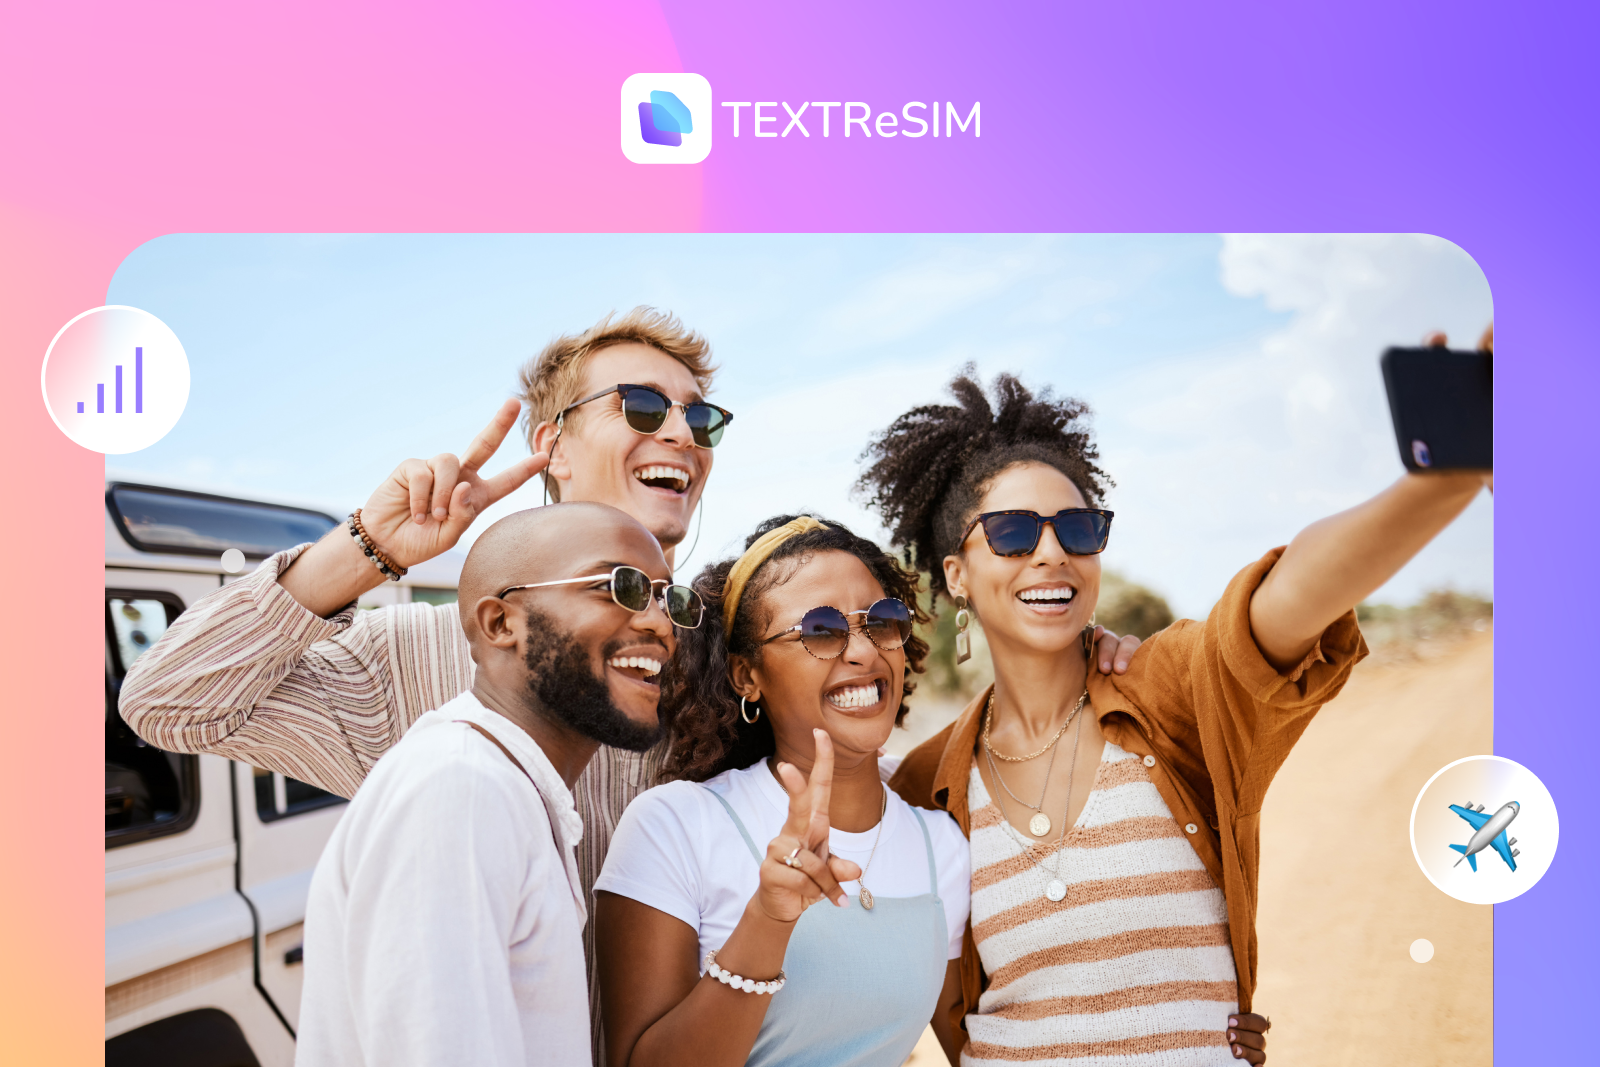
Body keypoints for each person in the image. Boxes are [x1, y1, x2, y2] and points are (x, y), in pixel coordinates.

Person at [118, 307, 1143, 1056]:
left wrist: (1076, 654)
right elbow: (170, 697)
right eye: (642, 405)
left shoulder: (714, 646)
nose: (682, 432)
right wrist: (366, 550)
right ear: (550, 442)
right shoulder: (422, 659)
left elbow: (860, 722)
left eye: (703, 417)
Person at [858, 367, 1488, 1065]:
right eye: (1010, 532)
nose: (1051, 552)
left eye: (1078, 527)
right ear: (956, 574)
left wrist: (1445, 476)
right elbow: (943, 1014)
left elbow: (1291, 591)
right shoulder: (924, 786)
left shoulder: (1172, 689)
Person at [297, 502, 699, 1066]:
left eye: (667, 597)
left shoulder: (506, 786)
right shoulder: (459, 790)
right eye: (619, 587)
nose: (660, 623)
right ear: (499, 624)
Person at [593, 517, 973, 1067]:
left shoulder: (943, 847)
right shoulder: (676, 825)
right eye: (822, 630)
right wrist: (769, 919)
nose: (864, 651)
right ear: (748, 676)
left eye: (883, 622)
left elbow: (979, 1045)